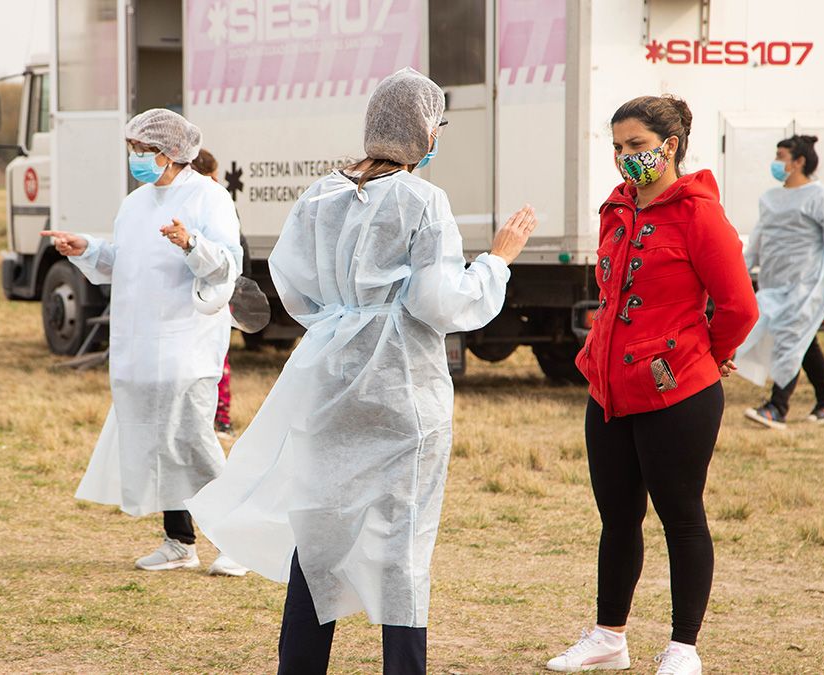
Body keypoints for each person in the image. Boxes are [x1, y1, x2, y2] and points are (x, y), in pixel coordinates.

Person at [185, 68, 538, 674]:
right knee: (402, 543)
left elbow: (293, 288)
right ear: (424, 129)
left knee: (319, 534)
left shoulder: (320, 194)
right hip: (401, 385)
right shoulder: (423, 200)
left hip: (326, 378)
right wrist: (497, 263)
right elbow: (439, 301)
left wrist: (341, 321)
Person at [547, 95, 758, 675]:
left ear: (669, 146)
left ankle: (683, 648)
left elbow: (739, 305)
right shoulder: (616, 208)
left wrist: (710, 356)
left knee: (681, 516)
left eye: (636, 146)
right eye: (617, 147)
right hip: (609, 389)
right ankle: (608, 637)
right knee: (617, 518)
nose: (624, 158)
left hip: (678, 393)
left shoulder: (698, 214)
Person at [41, 109, 248, 577]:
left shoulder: (209, 198)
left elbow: (226, 267)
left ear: (172, 153)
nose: (136, 158)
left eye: (143, 150)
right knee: (156, 443)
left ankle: (236, 538)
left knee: (193, 441)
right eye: (132, 149)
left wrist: (190, 243)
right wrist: (87, 250)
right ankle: (178, 541)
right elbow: (125, 261)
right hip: (138, 344)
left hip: (186, 343)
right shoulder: (135, 204)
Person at [735, 135, 824, 429]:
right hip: (774, 284)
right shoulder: (770, 199)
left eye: (781, 156)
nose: (776, 162)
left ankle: (777, 407)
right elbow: (759, 241)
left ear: (799, 161)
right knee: (802, 340)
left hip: (807, 285)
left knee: (789, 340)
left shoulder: (821, 198)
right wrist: (738, 272)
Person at [190, 148, 249, 440]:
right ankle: (216, 418)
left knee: (217, 360)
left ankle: (220, 419)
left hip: (217, 293)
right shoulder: (208, 199)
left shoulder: (212, 200)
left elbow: (236, 251)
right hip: (218, 293)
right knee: (216, 360)